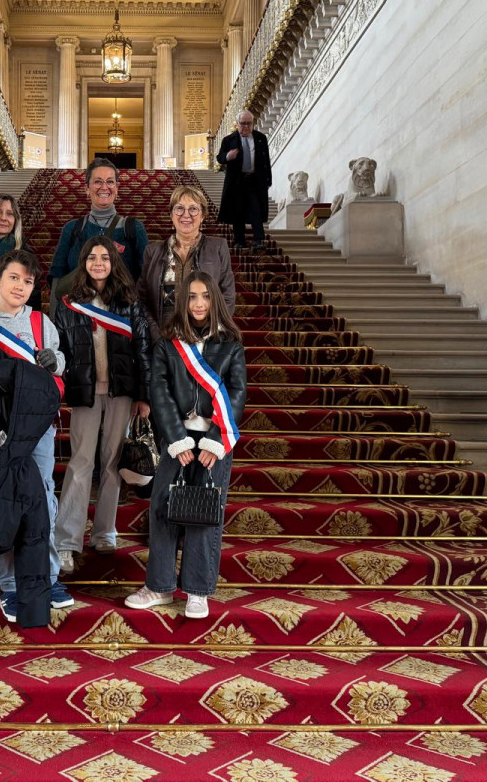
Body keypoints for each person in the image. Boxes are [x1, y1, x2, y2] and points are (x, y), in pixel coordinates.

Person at [0, 249, 72, 622]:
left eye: (27, 281)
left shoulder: (42, 323)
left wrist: (56, 364)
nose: (20, 286)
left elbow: (59, 365)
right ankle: (9, 585)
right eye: (14, 278)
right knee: (5, 502)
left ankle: (48, 577)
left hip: (38, 430)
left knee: (44, 501)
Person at [124, 272, 246, 620]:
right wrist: (176, 439)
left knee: (205, 512)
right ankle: (160, 586)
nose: (198, 304)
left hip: (214, 441)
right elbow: (159, 392)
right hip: (176, 440)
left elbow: (236, 394)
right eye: (191, 297)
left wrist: (216, 441)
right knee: (163, 510)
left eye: (205, 296)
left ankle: (197, 590)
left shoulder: (231, 343)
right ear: (182, 301)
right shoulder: (167, 343)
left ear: (215, 300)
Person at [52, 236, 152, 573]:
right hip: (85, 392)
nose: (99, 263)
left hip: (122, 392)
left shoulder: (128, 301)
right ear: (83, 262)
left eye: (105, 258)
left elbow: (142, 350)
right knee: (81, 463)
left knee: (111, 462)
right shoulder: (69, 303)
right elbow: (60, 348)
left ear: (114, 263)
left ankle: (105, 531)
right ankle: (67, 540)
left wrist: (144, 395)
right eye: (92, 257)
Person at [138, 185, 236, 343]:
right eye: (179, 208)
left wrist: (208, 334)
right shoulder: (152, 251)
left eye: (193, 209)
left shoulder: (218, 247)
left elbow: (228, 297)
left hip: (203, 339)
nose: (186, 214)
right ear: (171, 214)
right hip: (162, 339)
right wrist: (156, 334)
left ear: (203, 215)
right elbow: (142, 299)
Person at [47, 158, 149, 290]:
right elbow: (57, 277)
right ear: (87, 188)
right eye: (97, 182)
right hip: (78, 308)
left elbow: (147, 276)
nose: (104, 187)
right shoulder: (71, 229)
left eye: (110, 182)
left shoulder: (133, 228)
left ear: (117, 188)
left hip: (121, 309)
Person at [216, 110, 272, 249]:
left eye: (249, 123)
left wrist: (268, 179)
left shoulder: (260, 138)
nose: (246, 126)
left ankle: (259, 239)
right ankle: (239, 240)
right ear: (237, 124)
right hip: (237, 181)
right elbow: (220, 157)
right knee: (238, 211)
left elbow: (266, 161)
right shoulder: (229, 140)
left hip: (254, 180)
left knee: (256, 210)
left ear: (253, 124)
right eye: (243, 123)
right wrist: (228, 156)